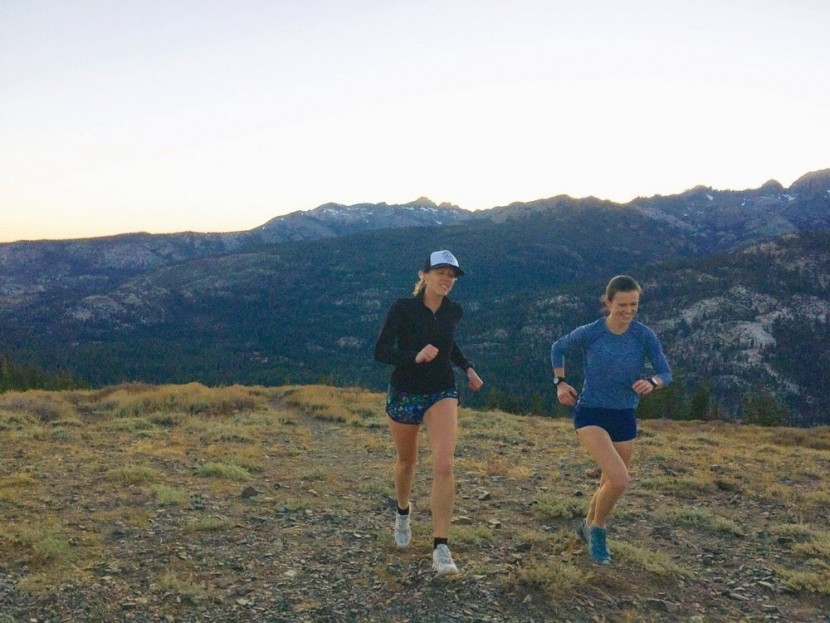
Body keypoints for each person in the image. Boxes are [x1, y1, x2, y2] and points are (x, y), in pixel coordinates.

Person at [374, 250, 484, 576]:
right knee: (407, 462)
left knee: (444, 465)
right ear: (424, 275)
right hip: (406, 392)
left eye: (452, 275)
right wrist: (414, 356)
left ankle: (441, 547)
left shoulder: (453, 311)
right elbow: (381, 351)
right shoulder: (403, 308)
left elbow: (449, 345)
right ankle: (403, 511)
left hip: (441, 390)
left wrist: (467, 367)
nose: (447, 279)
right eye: (441, 273)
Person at [550, 275, 671, 564]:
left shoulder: (644, 336)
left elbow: (666, 373)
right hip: (591, 413)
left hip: (624, 415)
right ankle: (598, 530)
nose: (628, 311)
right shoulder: (592, 332)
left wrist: (652, 382)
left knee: (608, 481)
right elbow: (558, 347)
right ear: (608, 302)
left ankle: (586, 526)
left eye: (634, 305)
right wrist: (560, 382)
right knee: (619, 480)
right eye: (622, 305)